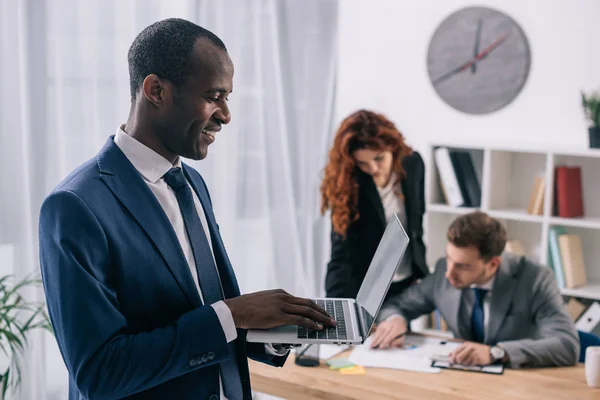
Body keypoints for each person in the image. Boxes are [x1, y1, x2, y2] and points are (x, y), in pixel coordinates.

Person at [38, 18, 335, 400]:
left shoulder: (192, 183)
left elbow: (203, 316)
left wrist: (279, 329)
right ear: (156, 90)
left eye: (228, 97)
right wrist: (233, 314)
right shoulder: (75, 207)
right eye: (214, 96)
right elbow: (100, 372)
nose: (226, 114)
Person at [371, 211, 579, 368]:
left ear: (493, 264)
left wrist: (497, 353)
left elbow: (566, 345)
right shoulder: (446, 269)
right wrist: (395, 320)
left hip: (518, 382)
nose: (448, 273)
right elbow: (396, 305)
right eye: (449, 258)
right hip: (462, 378)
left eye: (463, 266)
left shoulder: (534, 279)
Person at [320, 110, 428, 300]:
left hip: (406, 281)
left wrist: (420, 271)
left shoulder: (413, 164)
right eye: (363, 163)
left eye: (379, 158)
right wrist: (337, 304)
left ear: (393, 148)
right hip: (364, 287)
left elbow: (416, 222)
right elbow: (342, 253)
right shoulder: (349, 182)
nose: (373, 169)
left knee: (398, 329)